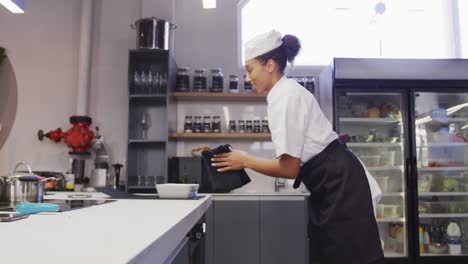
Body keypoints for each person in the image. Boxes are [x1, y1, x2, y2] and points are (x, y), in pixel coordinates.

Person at [210, 30, 385, 264]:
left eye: (250, 69)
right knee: (328, 253)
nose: (248, 77)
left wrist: (245, 160)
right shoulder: (284, 92)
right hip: (332, 180)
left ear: (269, 65)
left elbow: (289, 168)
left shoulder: (284, 96)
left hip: (340, 183)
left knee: (349, 256)